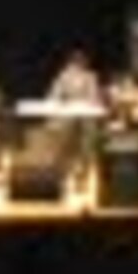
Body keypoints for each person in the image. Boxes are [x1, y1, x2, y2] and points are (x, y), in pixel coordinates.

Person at [46, 49, 103, 190]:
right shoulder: (63, 76)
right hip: (67, 117)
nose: (79, 64)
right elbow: (54, 94)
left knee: (86, 149)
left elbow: (94, 95)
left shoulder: (91, 77)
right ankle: (61, 178)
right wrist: (57, 105)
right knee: (63, 149)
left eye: (81, 61)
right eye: (76, 61)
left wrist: (89, 104)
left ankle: (82, 179)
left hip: (86, 118)